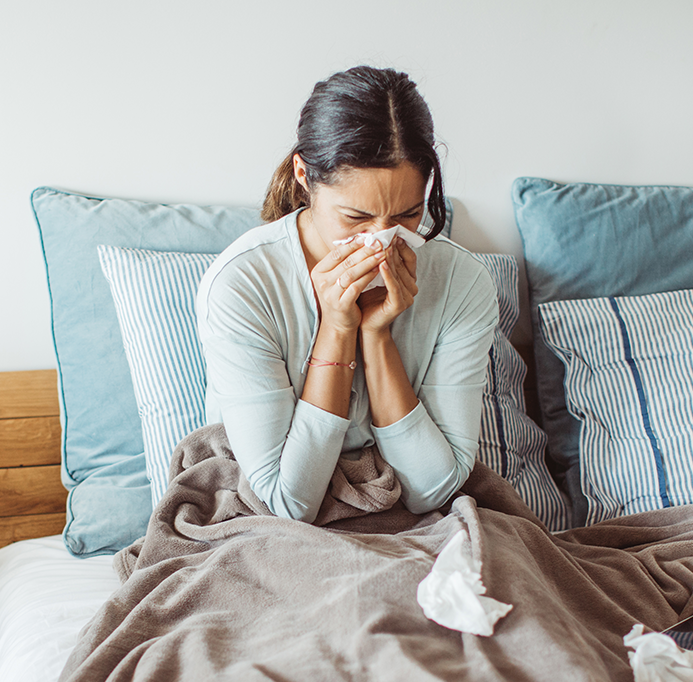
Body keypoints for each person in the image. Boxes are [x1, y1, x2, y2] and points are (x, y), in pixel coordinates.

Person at [196, 66, 498, 523]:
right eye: (356, 217)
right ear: (303, 174)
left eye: (408, 214)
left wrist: (377, 338)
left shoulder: (462, 282)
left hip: (412, 522)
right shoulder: (244, 284)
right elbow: (287, 503)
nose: (382, 239)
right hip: (271, 526)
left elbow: (433, 490)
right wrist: (337, 328)